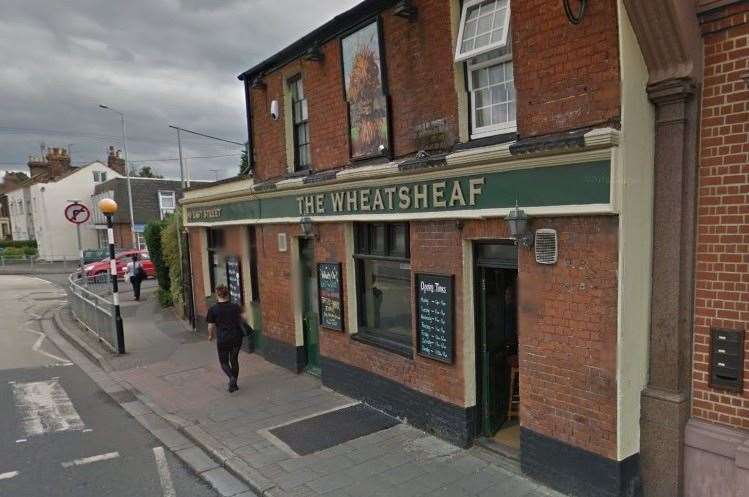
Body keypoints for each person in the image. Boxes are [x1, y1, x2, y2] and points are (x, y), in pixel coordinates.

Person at [206, 285, 244, 392]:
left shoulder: (213, 310)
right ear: (228, 294)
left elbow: (210, 326)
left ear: (217, 295)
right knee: (234, 360)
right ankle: (234, 385)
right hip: (237, 337)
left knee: (223, 362)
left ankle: (231, 378)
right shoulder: (235, 307)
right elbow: (244, 318)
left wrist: (210, 335)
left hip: (223, 338)